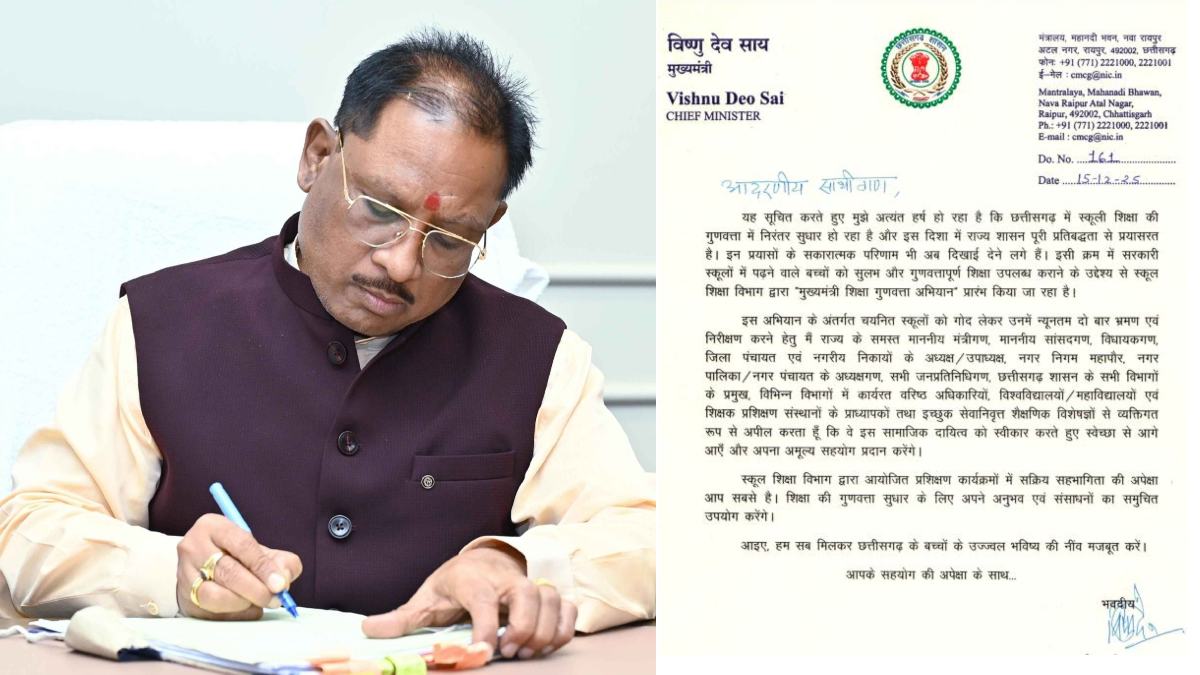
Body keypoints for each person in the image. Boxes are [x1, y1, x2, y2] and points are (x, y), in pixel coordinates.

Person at [0, 29, 655, 661]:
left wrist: (513, 563)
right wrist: (165, 569)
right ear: (317, 156)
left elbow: (652, 538)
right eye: (380, 209)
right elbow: (29, 528)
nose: (401, 264)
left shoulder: (536, 356)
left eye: (450, 239)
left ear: (489, 224)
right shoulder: (161, 321)